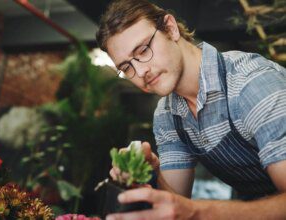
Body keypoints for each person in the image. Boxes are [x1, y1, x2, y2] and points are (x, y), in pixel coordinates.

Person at [96, 0, 286, 219]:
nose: (140, 72)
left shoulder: (251, 84)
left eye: (143, 49)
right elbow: (176, 206)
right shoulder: (168, 115)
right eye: (127, 67)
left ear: (170, 28)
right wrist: (151, 174)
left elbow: (189, 211)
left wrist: (195, 211)